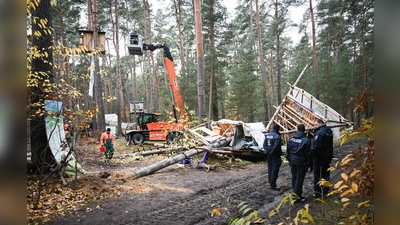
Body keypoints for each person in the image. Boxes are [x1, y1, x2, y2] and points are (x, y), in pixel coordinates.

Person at [286, 124, 311, 203]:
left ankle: (296, 194)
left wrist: (289, 159)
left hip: (293, 160)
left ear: (297, 129)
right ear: (304, 130)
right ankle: (296, 197)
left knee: (294, 177)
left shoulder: (291, 139)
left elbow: (287, 151)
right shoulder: (306, 140)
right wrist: (309, 163)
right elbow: (308, 154)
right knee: (299, 179)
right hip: (300, 161)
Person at [310, 119, 333, 198]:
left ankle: (318, 192)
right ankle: (326, 189)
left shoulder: (319, 133)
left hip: (320, 157)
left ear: (320, 123)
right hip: (328, 156)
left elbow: (317, 146)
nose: (315, 126)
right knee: (326, 173)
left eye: (316, 125)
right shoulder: (329, 131)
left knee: (318, 175)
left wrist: (311, 155)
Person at [263, 124, 283, 191]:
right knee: (275, 169)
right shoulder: (277, 136)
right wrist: (272, 152)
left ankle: (270, 181)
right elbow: (276, 146)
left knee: (270, 168)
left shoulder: (267, 135)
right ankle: (273, 184)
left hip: (269, 154)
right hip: (275, 155)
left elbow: (264, 145)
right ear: (277, 129)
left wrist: (268, 152)